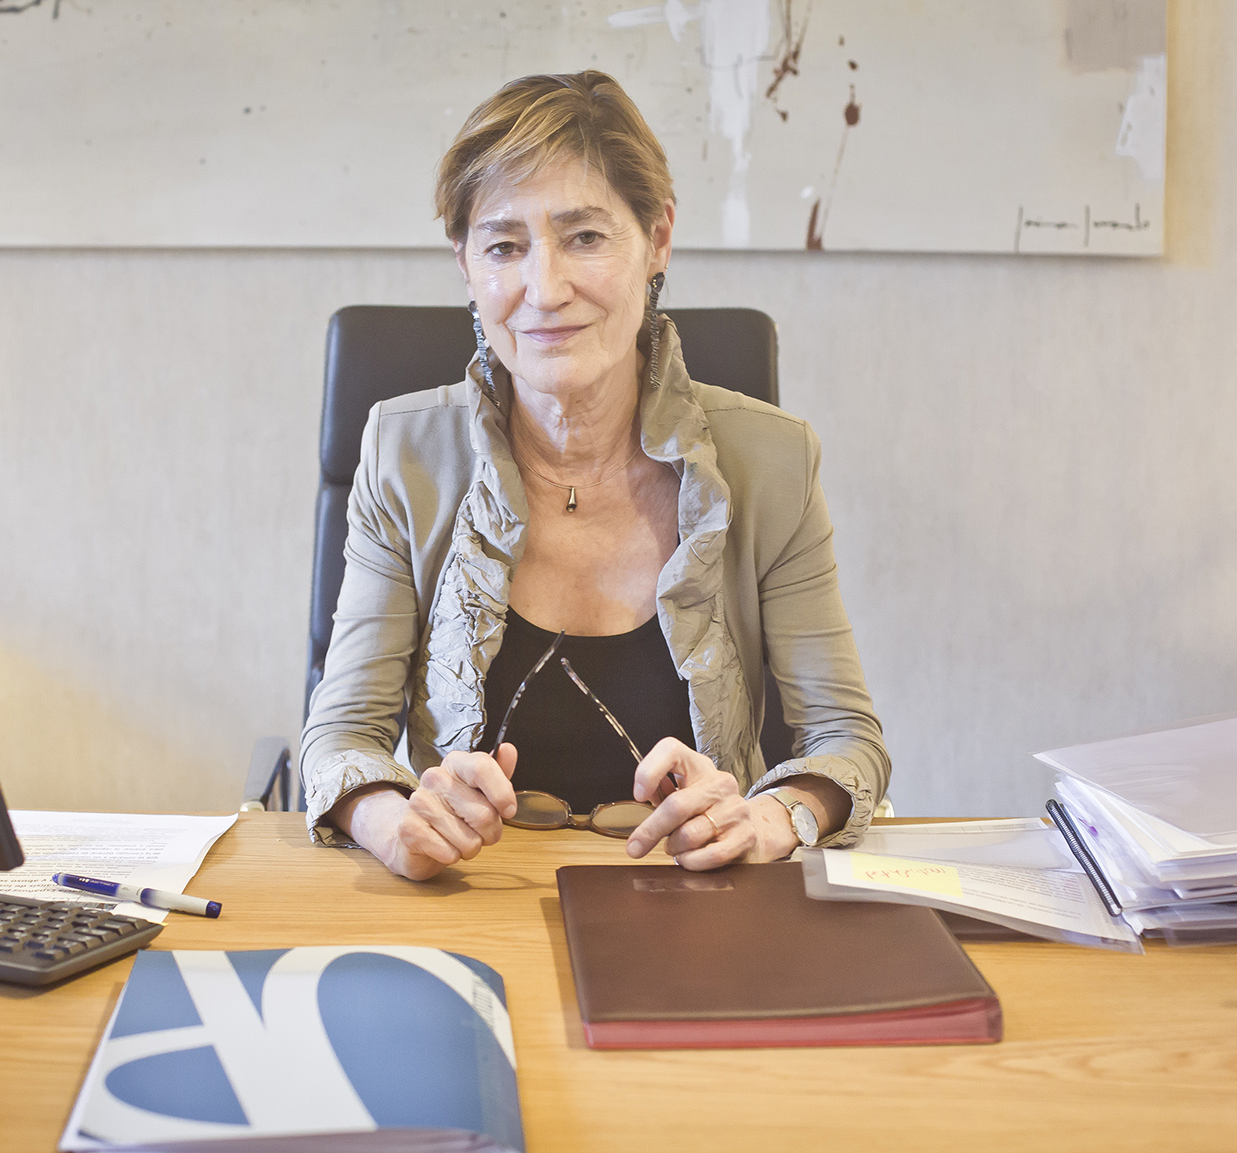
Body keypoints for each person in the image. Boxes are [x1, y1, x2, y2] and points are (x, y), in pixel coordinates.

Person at [301, 71, 889, 880]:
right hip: (471, 905)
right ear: (466, 266)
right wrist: (392, 822)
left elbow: (847, 741)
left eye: (584, 237)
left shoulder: (773, 461)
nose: (546, 290)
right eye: (504, 246)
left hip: (701, 908)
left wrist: (767, 819)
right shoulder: (402, 456)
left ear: (658, 239)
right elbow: (340, 737)